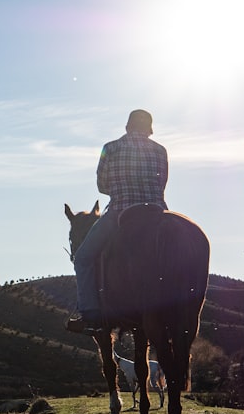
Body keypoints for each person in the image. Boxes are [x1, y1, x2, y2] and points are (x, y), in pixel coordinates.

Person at [66, 109, 168, 333]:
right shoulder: (160, 150)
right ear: (149, 128)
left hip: (121, 212)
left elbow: (102, 186)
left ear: (127, 126)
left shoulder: (110, 148)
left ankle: (90, 314)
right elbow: (162, 184)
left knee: (83, 258)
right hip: (158, 213)